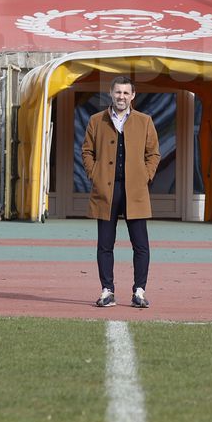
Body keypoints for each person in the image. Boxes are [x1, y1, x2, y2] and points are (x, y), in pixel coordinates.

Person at [81, 75, 160, 308]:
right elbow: (86, 152)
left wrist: (146, 176)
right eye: (118, 92)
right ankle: (107, 291)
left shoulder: (145, 121)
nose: (121, 97)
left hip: (135, 190)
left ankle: (139, 291)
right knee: (105, 244)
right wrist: (94, 174)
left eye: (126, 93)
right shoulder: (96, 120)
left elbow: (153, 154)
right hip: (107, 190)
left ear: (133, 95)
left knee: (141, 245)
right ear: (111, 93)